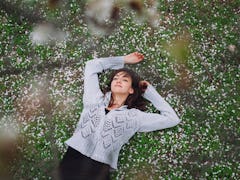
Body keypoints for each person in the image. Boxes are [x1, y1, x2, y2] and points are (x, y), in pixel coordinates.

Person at [58, 52, 181, 180]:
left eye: (125, 80)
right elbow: (91, 65)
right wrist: (124, 59)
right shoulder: (93, 100)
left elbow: (172, 119)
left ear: (131, 90)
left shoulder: (134, 117)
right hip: (71, 163)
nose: (118, 81)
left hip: (99, 170)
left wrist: (148, 92)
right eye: (116, 78)